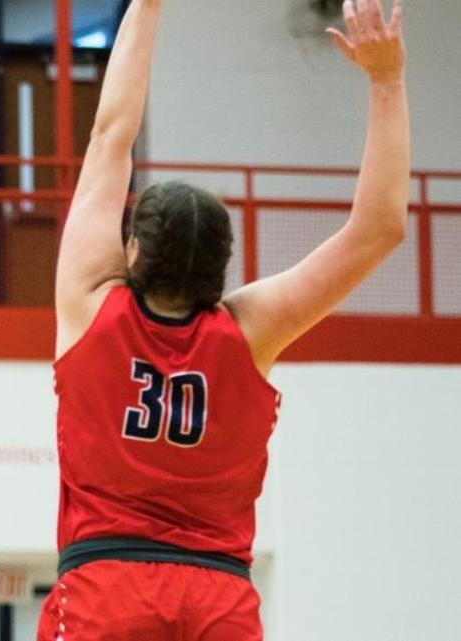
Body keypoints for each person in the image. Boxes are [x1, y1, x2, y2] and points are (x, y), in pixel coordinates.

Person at [39, 0, 407, 638]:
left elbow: (111, 137)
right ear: (223, 263)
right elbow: (377, 230)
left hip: (108, 586)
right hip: (219, 600)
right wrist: (388, 81)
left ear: (133, 251)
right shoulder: (250, 329)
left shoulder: (91, 301)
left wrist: (148, 6)